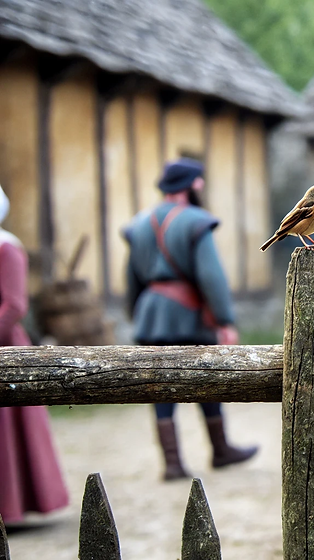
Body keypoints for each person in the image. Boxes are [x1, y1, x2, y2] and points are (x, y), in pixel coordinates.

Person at [123, 158, 258, 481]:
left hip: (151, 314)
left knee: (158, 385)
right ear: (193, 186)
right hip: (188, 314)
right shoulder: (197, 220)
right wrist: (224, 320)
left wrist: (137, 314)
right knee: (206, 377)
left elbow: (132, 279)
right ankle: (220, 449)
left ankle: (172, 463)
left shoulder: (139, 224)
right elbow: (211, 276)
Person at [0, 183, 71, 524]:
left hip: (5, 345)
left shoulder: (6, 248)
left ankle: (12, 506)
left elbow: (14, 305)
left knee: (8, 429)